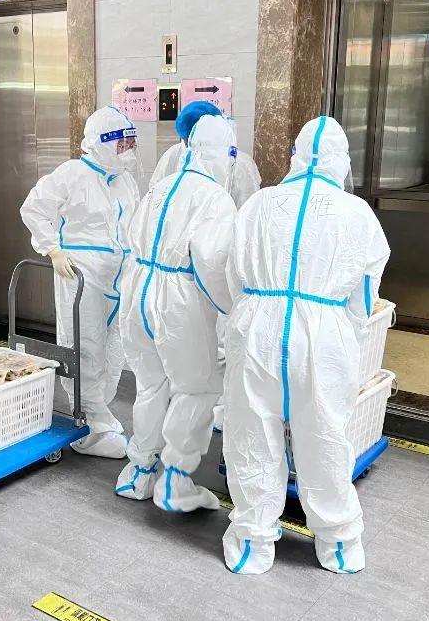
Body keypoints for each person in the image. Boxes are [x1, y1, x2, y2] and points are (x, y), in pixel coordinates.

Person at [222, 116, 390, 575]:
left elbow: (234, 273)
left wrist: (255, 311)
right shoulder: (356, 213)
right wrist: (343, 327)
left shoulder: (259, 203)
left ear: (295, 156)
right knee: (325, 438)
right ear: (342, 160)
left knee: (251, 434)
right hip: (324, 334)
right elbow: (364, 293)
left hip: (258, 326)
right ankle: (339, 544)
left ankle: (252, 543)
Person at [114, 115, 238, 511]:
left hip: (138, 288)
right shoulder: (215, 198)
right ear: (221, 155)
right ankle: (176, 481)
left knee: (151, 384)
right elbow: (211, 262)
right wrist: (234, 307)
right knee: (198, 387)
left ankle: (139, 471)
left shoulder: (162, 185)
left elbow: (132, 235)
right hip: (177, 298)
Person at [20, 106, 142, 458]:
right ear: (102, 142)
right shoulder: (73, 173)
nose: (128, 150)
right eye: (121, 144)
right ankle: (87, 422)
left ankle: (99, 412)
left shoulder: (124, 180)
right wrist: (53, 249)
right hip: (81, 272)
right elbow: (33, 209)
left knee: (114, 346)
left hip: (119, 274)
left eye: (130, 143)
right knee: (85, 346)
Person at [152, 102, 262, 433]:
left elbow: (248, 216)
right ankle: (188, 409)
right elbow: (158, 203)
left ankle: (220, 409)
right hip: (182, 272)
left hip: (222, 261)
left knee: (222, 341)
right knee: (186, 347)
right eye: (186, 139)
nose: (189, 146)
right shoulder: (173, 156)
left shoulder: (239, 164)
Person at [151, 101, 261, 207]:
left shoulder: (241, 163)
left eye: (191, 138)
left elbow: (249, 207)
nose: (188, 145)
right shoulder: (174, 154)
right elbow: (156, 193)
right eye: (185, 140)